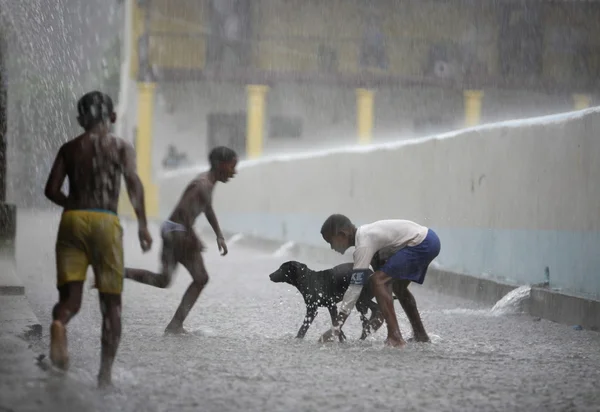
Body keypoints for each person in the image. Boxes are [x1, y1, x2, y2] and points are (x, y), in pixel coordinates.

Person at [44, 91, 152, 387]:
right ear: (113, 118)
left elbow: (51, 190)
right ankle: (104, 376)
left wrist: (73, 205)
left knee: (70, 299)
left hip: (72, 221)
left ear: (81, 120)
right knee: (112, 305)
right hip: (105, 222)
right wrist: (143, 224)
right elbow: (133, 183)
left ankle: (59, 322)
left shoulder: (69, 148)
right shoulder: (120, 147)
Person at [125, 146, 237, 334]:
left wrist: (218, 234)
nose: (234, 172)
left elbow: (207, 209)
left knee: (163, 280)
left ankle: (118, 272)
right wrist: (194, 237)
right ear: (220, 165)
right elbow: (184, 212)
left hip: (171, 229)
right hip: (178, 232)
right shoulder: (202, 185)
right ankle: (175, 325)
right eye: (232, 166)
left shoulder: (208, 182)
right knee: (201, 278)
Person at [318, 214, 441, 347]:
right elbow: (383, 284)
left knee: (378, 281)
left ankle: (395, 337)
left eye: (331, 242)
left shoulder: (363, 245)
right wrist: (380, 312)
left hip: (422, 243)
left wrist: (336, 328)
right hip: (429, 239)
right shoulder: (366, 235)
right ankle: (421, 335)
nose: (331, 247)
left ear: (342, 234)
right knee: (398, 288)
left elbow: (354, 289)